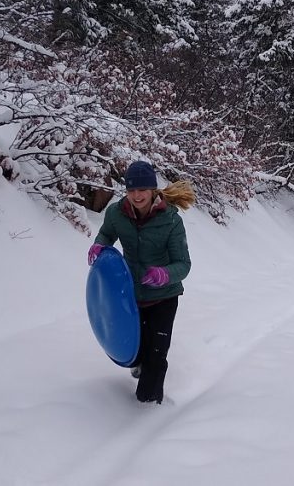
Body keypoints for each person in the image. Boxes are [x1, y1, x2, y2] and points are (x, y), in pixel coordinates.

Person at [87, 160, 193, 405]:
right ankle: (138, 364)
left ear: (153, 190)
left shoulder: (171, 221)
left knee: (156, 355)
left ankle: (148, 406)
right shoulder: (116, 213)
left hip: (164, 297)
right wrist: (100, 245)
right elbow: (107, 233)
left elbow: (183, 264)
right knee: (135, 353)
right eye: (131, 190)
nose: (136, 195)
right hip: (132, 295)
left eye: (142, 190)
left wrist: (164, 274)